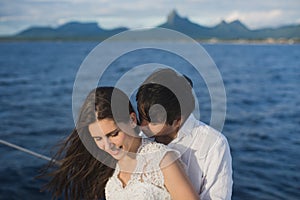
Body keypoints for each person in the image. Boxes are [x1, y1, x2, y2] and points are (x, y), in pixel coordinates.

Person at [42, 86, 198, 200]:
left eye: (114, 134)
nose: (108, 146)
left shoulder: (161, 159)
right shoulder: (111, 168)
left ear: (131, 120)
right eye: (98, 139)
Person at [136, 68, 233, 200]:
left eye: (152, 122)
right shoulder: (137, 138)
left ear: (177, 121)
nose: (142, 126)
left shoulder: (213, 144)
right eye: (141, 117)